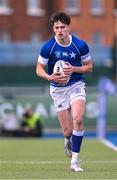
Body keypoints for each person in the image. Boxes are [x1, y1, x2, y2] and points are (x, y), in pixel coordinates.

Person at [36, 12, 93, 172]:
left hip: (76, 84)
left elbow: (89, 67)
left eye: (63, 27)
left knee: (78, 120)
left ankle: (75, 162)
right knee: (68, 130)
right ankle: (67, 140)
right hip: (58, 89)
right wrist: (49, 77)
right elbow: (38, 68)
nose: (60, 30)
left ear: (69, 27)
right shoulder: (48, 47)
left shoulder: (80, 45)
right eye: (56, 27)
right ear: (53, 29)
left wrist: (74, 69)